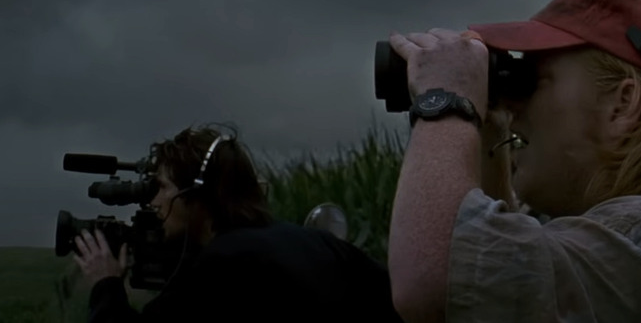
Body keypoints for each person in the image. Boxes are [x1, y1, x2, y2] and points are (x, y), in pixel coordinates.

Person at [386, 0, 641, 322]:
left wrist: (446, 98)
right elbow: (504, 295)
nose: (516, 107)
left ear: (622, 106)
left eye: (536, 81)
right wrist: (489, 131)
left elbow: (438, 284)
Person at [73, 124, 402, 322]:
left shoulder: (225, 263)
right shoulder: (315, 242)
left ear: (195, 194)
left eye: (161, 188)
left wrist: (107, 285)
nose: (153, 201)